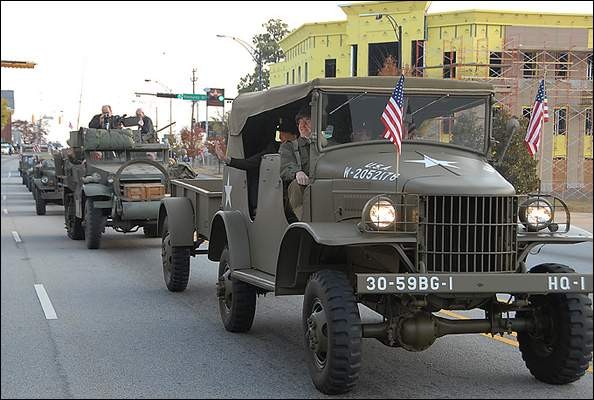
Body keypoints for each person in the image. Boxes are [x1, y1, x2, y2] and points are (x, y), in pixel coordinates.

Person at [280, 106, 311, 221]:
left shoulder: (327, 145)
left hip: (322, 185)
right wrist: (297, 172)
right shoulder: (288, 147)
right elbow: (285, 165)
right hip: (302, 189)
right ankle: (304, 221)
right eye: (300, 123)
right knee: (295, 185)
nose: (303, 126)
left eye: (307, 122)